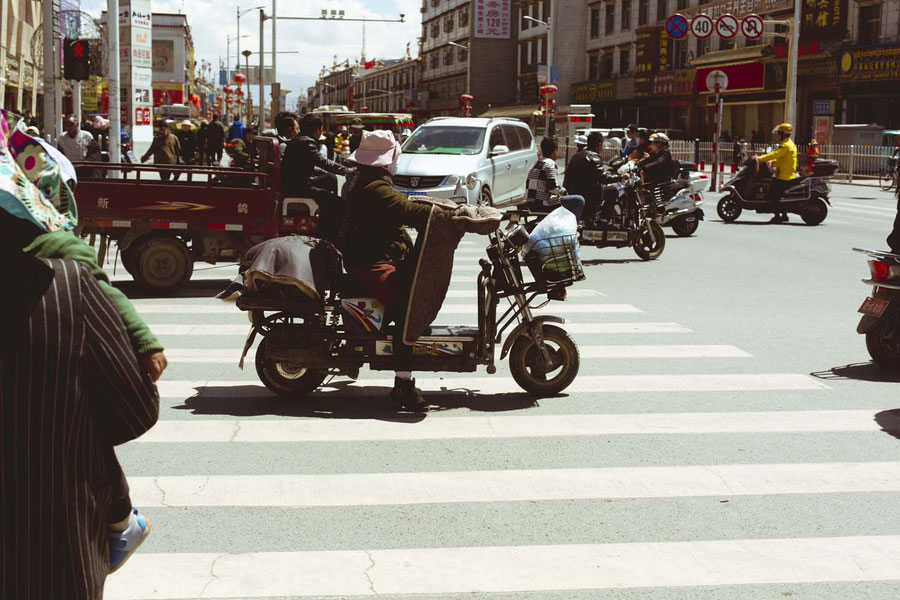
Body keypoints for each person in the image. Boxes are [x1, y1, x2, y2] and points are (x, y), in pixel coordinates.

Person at [342, 130, 433, 411]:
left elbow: (403, 205)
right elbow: (407, 209)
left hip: (374, 255)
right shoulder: (376, 188)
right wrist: (442, 214)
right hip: (369, 262)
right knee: (407, 307)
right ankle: (403, 384)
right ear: (386, 159)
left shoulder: (368, 181)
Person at [282, 114, 353, 241]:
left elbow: (310, 165)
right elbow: (325, 162)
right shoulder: (307, 143)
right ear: (316, 129)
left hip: (296, 183)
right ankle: (327, 235)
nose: (321, 132)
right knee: (338, 203)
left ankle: (324, 214)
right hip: (300, 187)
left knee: (330, 178)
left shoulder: (298, 140)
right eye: (320, 129)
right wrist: (348, 171)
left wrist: (324, 172)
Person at [564, 131, 618, 224]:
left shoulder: (576, 156)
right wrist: (622, 177)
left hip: (571, 194)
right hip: (588, 197)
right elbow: (604, 178)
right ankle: (603, 220)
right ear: (599, 144)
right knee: (613, 190)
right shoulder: (594, 157)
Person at [526, 137, 584, 218]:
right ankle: (573, 226)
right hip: (543, 203)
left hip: (531, 203)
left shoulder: (537, 163)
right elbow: (552, 187)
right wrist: (564, 190)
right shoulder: (550, 164)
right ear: (555, 150)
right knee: (579, 200)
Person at [757, 123, 798, 223]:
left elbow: (775, 154)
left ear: (783, 134)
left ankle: (777, 216)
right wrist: (773, 162)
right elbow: (783, 158)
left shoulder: (785, 146)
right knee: (779, 195)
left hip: (784, 176)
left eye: (779, 133)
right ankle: (784, 215)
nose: (778, 135)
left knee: (773, 195)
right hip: (787, 174)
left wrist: (759, 159)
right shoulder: (791, 144)